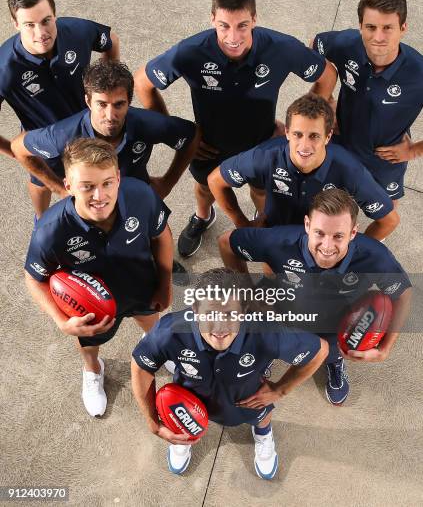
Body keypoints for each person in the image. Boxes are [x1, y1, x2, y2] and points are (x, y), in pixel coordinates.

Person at [134, 0, 337, 257]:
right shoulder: (191, 52)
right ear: (212, 19)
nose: (233, 37)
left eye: (242, 25)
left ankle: (262, 221)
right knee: (204, 189)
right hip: (210, 146)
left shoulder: (280, 47)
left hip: (260, 142)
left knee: (262, 192)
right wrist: (175, 134)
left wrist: (297, 128)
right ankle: (204, 217)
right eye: (224, 26)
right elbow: (142, 82)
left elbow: (327, 75)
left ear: (254, 19)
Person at [219, 189, 411, 406]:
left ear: (354, 232)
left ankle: (334, 363)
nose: (327, 247)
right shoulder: (279, 241)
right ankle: (269, 354)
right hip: (282, 312)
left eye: (338, 236)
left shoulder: (374, 257)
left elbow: (403, 293)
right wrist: (247, 296)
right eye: (319, 233)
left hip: (338, 324)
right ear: (307, 225)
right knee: (267, 342)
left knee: (332, 352)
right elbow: (227, 243)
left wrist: (385, 348)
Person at [25, 138, 173, 417]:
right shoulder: (50, 231)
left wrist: (164, 284)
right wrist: (62, 321)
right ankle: (93, 370)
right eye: (87, 186)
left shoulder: (140, 195)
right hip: (93, 305)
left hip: (141, 284)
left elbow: (161, 235)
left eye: (107, 183)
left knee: (152, 325)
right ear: (68, 185)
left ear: (118, 178)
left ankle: (159, 350)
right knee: (90, 344)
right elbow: (33, 278)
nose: (99, 195)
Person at [131, 268, 328, 478]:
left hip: (247, 400)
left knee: (261, 418)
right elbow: (141, 365)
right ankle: (182, 434)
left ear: (243, 310)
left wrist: (280, 390)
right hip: (189, 404)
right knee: (181, 425)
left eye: (229, 314)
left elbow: (319, 350)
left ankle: (263, 435)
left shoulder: (267, 332)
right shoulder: (169, 331)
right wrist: (153, 421)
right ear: (196, 309)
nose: (219, 327)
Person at [11, 60, 198, 211]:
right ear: (88, 101)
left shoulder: (147, 124)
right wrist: (57, 188)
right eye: (101, 104)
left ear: (129, 101)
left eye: (118, 104)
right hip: (91, 208)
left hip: (135, 200)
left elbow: (191, 136)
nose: (110, 116)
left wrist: (167, 183)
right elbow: (19, 148)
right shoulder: (62, 135)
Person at [208, 93, 399, 241]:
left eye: (314, 136)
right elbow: (215, 180)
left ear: (328, 136)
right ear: (287, 132)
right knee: (261, 267)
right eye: (298, 134)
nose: (305, 146)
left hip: (322, 241)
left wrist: (352, 251)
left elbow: (389, 220)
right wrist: (241, 222)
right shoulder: (264, 157)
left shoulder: (349, 170)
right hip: (277, 232)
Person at [0, 0, 119, 216]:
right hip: (46, 141)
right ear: (16, 24)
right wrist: (17, 153)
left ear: (55, 14)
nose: (41, 33)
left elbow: (110, 40)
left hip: (92, 128)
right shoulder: (5, 69)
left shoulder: (77, 31)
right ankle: (41, 219)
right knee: (40, 182)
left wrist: (108, 85)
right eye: (29, 25)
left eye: (46, 21)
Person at [311, 0, 423, 205]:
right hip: (340, 141)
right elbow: (316, 45)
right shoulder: (346, 44)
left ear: (403, 28)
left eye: (387, 28)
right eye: (371, 27)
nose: (378, 37)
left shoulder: (418, 73)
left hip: (383, 158)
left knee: (385, 207)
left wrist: (413, 151)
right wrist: (326, 99)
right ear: (360, 26)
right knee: (323, 197)